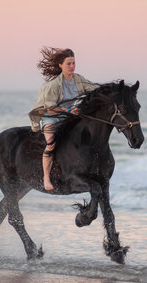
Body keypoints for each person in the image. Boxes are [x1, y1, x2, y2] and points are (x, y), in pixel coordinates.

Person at [29, 47, 97, 191]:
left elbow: (93, 89)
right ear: (60, 65)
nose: (72, 66)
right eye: (68, 64)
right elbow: (49, 108)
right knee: (51, 144)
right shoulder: (53, 85)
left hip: (69, 117)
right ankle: (46, 178)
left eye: (73, 63)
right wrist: (68, 110)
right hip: (51, 118)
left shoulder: (79, 80)